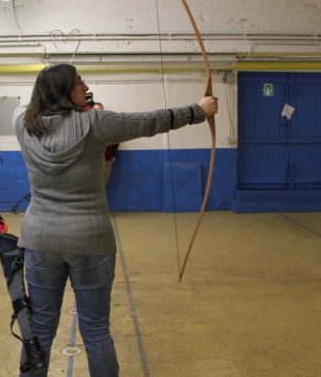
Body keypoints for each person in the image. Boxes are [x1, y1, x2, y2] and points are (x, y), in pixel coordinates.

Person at [13, 63, 218, 376]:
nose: (85, 87)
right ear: (64, 91)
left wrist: (49, 92)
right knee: (95, 330)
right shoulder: (95, 123)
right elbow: (149, 121)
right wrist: (197, 111)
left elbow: (27, 106)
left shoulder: (22, 124)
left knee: (39, 327)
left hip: (40, 239)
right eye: (79, 82)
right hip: (91, 239)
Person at [93, 102, 119, 186]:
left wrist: (113, 154)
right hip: (91, 160)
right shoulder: (88, 125)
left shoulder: (109, 125)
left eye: (100, 110)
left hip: (106, 159)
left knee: (103, 183)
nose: (98, 113)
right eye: (96, 111)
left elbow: (116, 140)